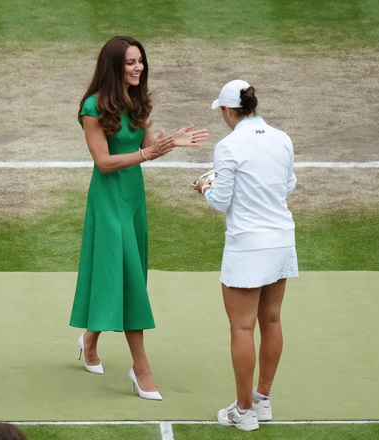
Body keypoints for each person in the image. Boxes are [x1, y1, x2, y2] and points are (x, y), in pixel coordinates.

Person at [69, 36, 209, 401]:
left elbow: (147, 147)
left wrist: (169, 143)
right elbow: (104, 162)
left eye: (140, 62)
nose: (138, 68)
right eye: (131, 63)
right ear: (114, 65)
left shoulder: (138, 100)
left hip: (133, 199)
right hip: (107, 200)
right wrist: (149, 153)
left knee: (125, 273)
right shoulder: (92, 107)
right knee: (128, 275)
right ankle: (141, 370)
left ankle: (89, 339)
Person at [193, 80, 298, 431]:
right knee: (271, 321)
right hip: (281, 239)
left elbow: (220, 201)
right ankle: (262, 400)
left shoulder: (227, 146)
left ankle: (243, 410)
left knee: (242, 326)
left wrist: (205, 185)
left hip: (248, 245)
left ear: (227, 110)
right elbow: (287, 186)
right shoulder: (282, 138)